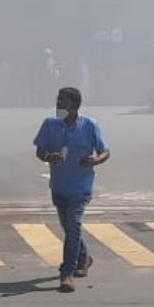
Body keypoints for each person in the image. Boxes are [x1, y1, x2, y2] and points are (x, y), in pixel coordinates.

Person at [33, 87, 110, 293]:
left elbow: (105, 151)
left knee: (73, 223)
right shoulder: (50, 125)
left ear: (74, 106)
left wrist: (95, 160)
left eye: (63, 102)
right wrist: (49, 156)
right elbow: (40, 151)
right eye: (57, 101)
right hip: (59, 186)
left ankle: (66, 272)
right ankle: (84, 257)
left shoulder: (90, 125)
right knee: (69, 227)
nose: (58, 106)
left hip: (81, 186)